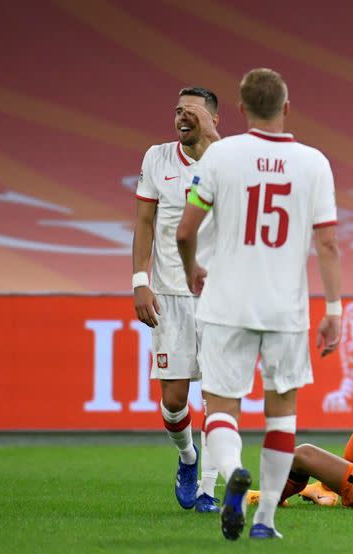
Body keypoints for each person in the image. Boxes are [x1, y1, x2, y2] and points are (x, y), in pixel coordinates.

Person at [176, 67, 342, 540]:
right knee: (282, 414)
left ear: (243, 109)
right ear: (287, 108)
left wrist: (192, 268)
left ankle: (232, 478)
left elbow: (185, 230)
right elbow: (328, 245)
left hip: (226, 301)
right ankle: (266, 520)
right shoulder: (314, 162)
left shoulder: (221, 156)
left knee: (222, 406)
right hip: (285, 309)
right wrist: (334, 309)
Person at [132, 86, 222, 513]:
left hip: (219, 296)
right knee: (174, 402)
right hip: (169, 293)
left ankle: (207, 488)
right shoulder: (157, 157)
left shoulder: (229, 160)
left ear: (213, 120)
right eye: (178, 111)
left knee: (220, 395)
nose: (182, 118)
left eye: (193, 112)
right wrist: (139, 281)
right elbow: (145, 221)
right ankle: (188, 457)